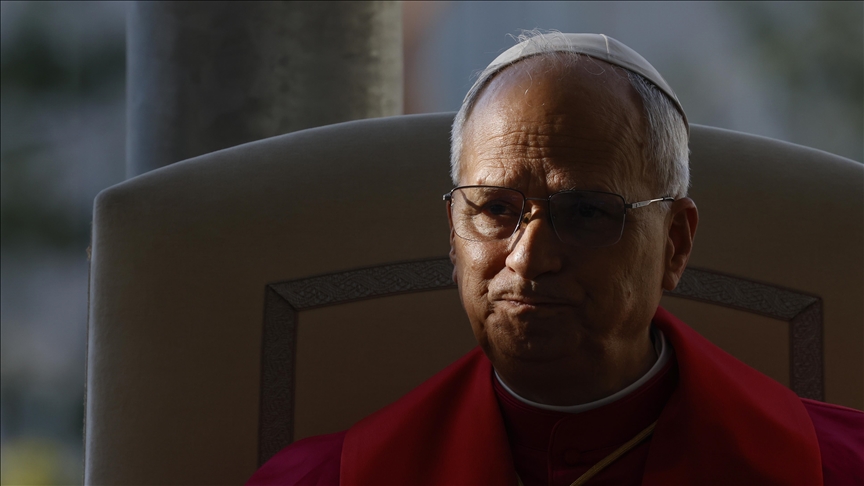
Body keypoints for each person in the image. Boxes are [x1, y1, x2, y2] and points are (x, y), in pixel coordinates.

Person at [248, 32, 863, 486]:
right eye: (495, 208)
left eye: (587, 211)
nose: (530, 258)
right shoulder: (326, 479)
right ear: (454, 237)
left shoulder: (838, 468)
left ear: (674, 243)